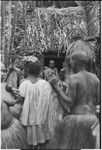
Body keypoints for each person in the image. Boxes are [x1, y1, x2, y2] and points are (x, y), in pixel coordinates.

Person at [18, 56, 52, 149]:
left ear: (28, 71)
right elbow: (49, 101)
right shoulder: (45, 84)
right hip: (42, 118)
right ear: (40, 72)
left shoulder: (24, 84)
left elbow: (20, 100)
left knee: (28, 143)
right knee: (42, 142)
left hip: (28, 119)